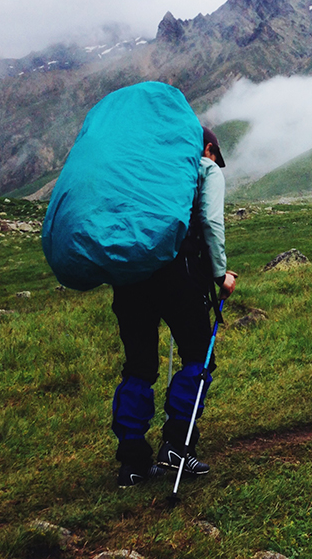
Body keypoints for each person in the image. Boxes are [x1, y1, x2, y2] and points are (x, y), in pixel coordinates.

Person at [110, 126, 237, 487]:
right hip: (178, 274)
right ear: (209, 149)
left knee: (138, 366)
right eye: (215, 156)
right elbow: (210, 222)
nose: (214, 162)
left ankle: (132, 463)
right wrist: (219, 275)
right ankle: (177, 445)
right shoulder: (203, 167)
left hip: (129, 274)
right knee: (198, 356)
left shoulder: (143, 169)